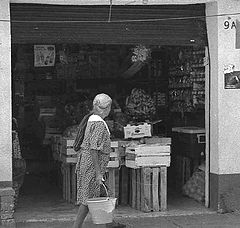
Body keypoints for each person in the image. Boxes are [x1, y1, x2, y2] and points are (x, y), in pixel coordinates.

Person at [72, 93, 125, 228]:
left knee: (100, 192)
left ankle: (109, 223)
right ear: (107, 108)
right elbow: (94, 148)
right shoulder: (98, 123)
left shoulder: (92, 119)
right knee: (88, 199)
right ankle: (76, 226)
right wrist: (98, 173)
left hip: (88, 163)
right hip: (91, 165)